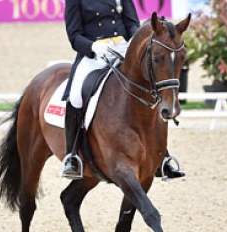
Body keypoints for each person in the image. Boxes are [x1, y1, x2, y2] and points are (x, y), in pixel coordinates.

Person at [61, 0, 185, 180]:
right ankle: (72, 157)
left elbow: (132, 24)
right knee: (75, 96)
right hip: (94, 54)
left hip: (123, 49)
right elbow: (74, 36)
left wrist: (136, 43)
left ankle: (162, 156)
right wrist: (93, 46)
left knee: (151, 87)